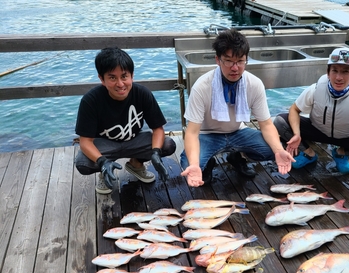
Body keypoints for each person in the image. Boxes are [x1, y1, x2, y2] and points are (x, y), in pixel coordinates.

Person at [180, 28, 294, 187]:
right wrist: (194, 163)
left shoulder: (253, 84)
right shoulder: (202, 86)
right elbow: (192, 132)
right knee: (188, 163)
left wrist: (278, 151)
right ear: (217, 60)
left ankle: (236, 157)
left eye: (240, 61)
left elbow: (266, 124)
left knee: (272, 150)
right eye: (228, 61)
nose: (235, 68)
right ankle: (207, 165)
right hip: (208, 135)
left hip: (238, 132)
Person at [273, 46, 349, 175]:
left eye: (345, 71)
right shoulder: (316, 89)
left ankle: (341, 153)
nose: (338, 77)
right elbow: (294, 109)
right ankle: (308, 154)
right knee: (279, 121)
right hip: (318, 130)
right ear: (328, 72)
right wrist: (296, 134)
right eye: (335, 71)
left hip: (348, 137)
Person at [74, 47, 176, 194]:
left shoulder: (142, 93)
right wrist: (102, 162)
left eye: (124, 76)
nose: (120, 84)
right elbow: (85, 142)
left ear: (132, 76)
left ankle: (136, 164)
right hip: (105, 145)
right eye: (112, 78)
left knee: (166, 144)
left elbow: (158, 129)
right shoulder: (91, 100)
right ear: (102, 79)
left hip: (134, 140)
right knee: (83, 163)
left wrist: (155, 153)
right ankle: (105, 171)